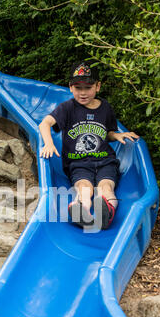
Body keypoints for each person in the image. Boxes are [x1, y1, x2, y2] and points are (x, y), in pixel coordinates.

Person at [39, 61, 139, 229]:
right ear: (70, 87)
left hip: (105, 161)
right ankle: (81, 209)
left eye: (88, 87)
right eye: (78, 88)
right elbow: (45, 123)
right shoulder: (67, 108)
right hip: (78, 163)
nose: (83, 93)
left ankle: (106, 212)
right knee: (84, 187)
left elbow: (108, 133)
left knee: (105, 187)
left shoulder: (105, 108)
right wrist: (48, 144)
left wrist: (118, 135)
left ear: (98, 86)